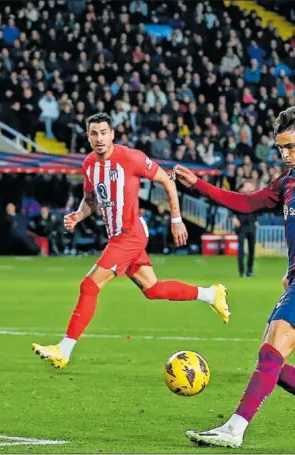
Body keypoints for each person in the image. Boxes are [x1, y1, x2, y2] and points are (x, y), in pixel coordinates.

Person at [31, 113, 230, 370]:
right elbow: (91, 200)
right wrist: (78, 216)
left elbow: (167, 181)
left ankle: (64, 348)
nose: (99, 138)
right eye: (94, 133)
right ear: (88, 137)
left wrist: (177, 218)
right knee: (153, 289)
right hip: (118, 236)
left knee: (89, 286)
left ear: (112, 134)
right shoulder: (90, 164)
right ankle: (211, 294)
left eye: (104, 132)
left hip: (130, 235)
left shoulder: (131, 158)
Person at [173, 106, 295, 449]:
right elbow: (245, 203)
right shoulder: (288, 182)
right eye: (281, 147)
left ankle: (234, 428)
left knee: (274, 348)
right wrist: (198, 184)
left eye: (292, 146)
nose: (285, 154)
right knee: (271, 359)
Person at [232, 181, 258, 278]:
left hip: (251, 225)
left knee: (252, 249)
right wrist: (234, 217)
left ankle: (250, 271)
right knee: (241, 250)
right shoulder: (237, 199)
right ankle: (242, 272)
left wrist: (256, 220)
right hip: (241, 226)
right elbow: (231, 209)